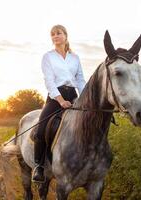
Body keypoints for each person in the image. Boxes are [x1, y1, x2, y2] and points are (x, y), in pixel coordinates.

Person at [32, 24, 86, 182]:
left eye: (58, 33)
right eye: (53, 34)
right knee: (40, 130)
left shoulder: (74, 58)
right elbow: (49, 81)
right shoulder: (48, 57)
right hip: (56, 97)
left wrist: (84, 99)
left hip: (74, 95)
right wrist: (61, 100)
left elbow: (80, 80)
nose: (55, 36)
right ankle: (39, 166)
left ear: (66, 36)